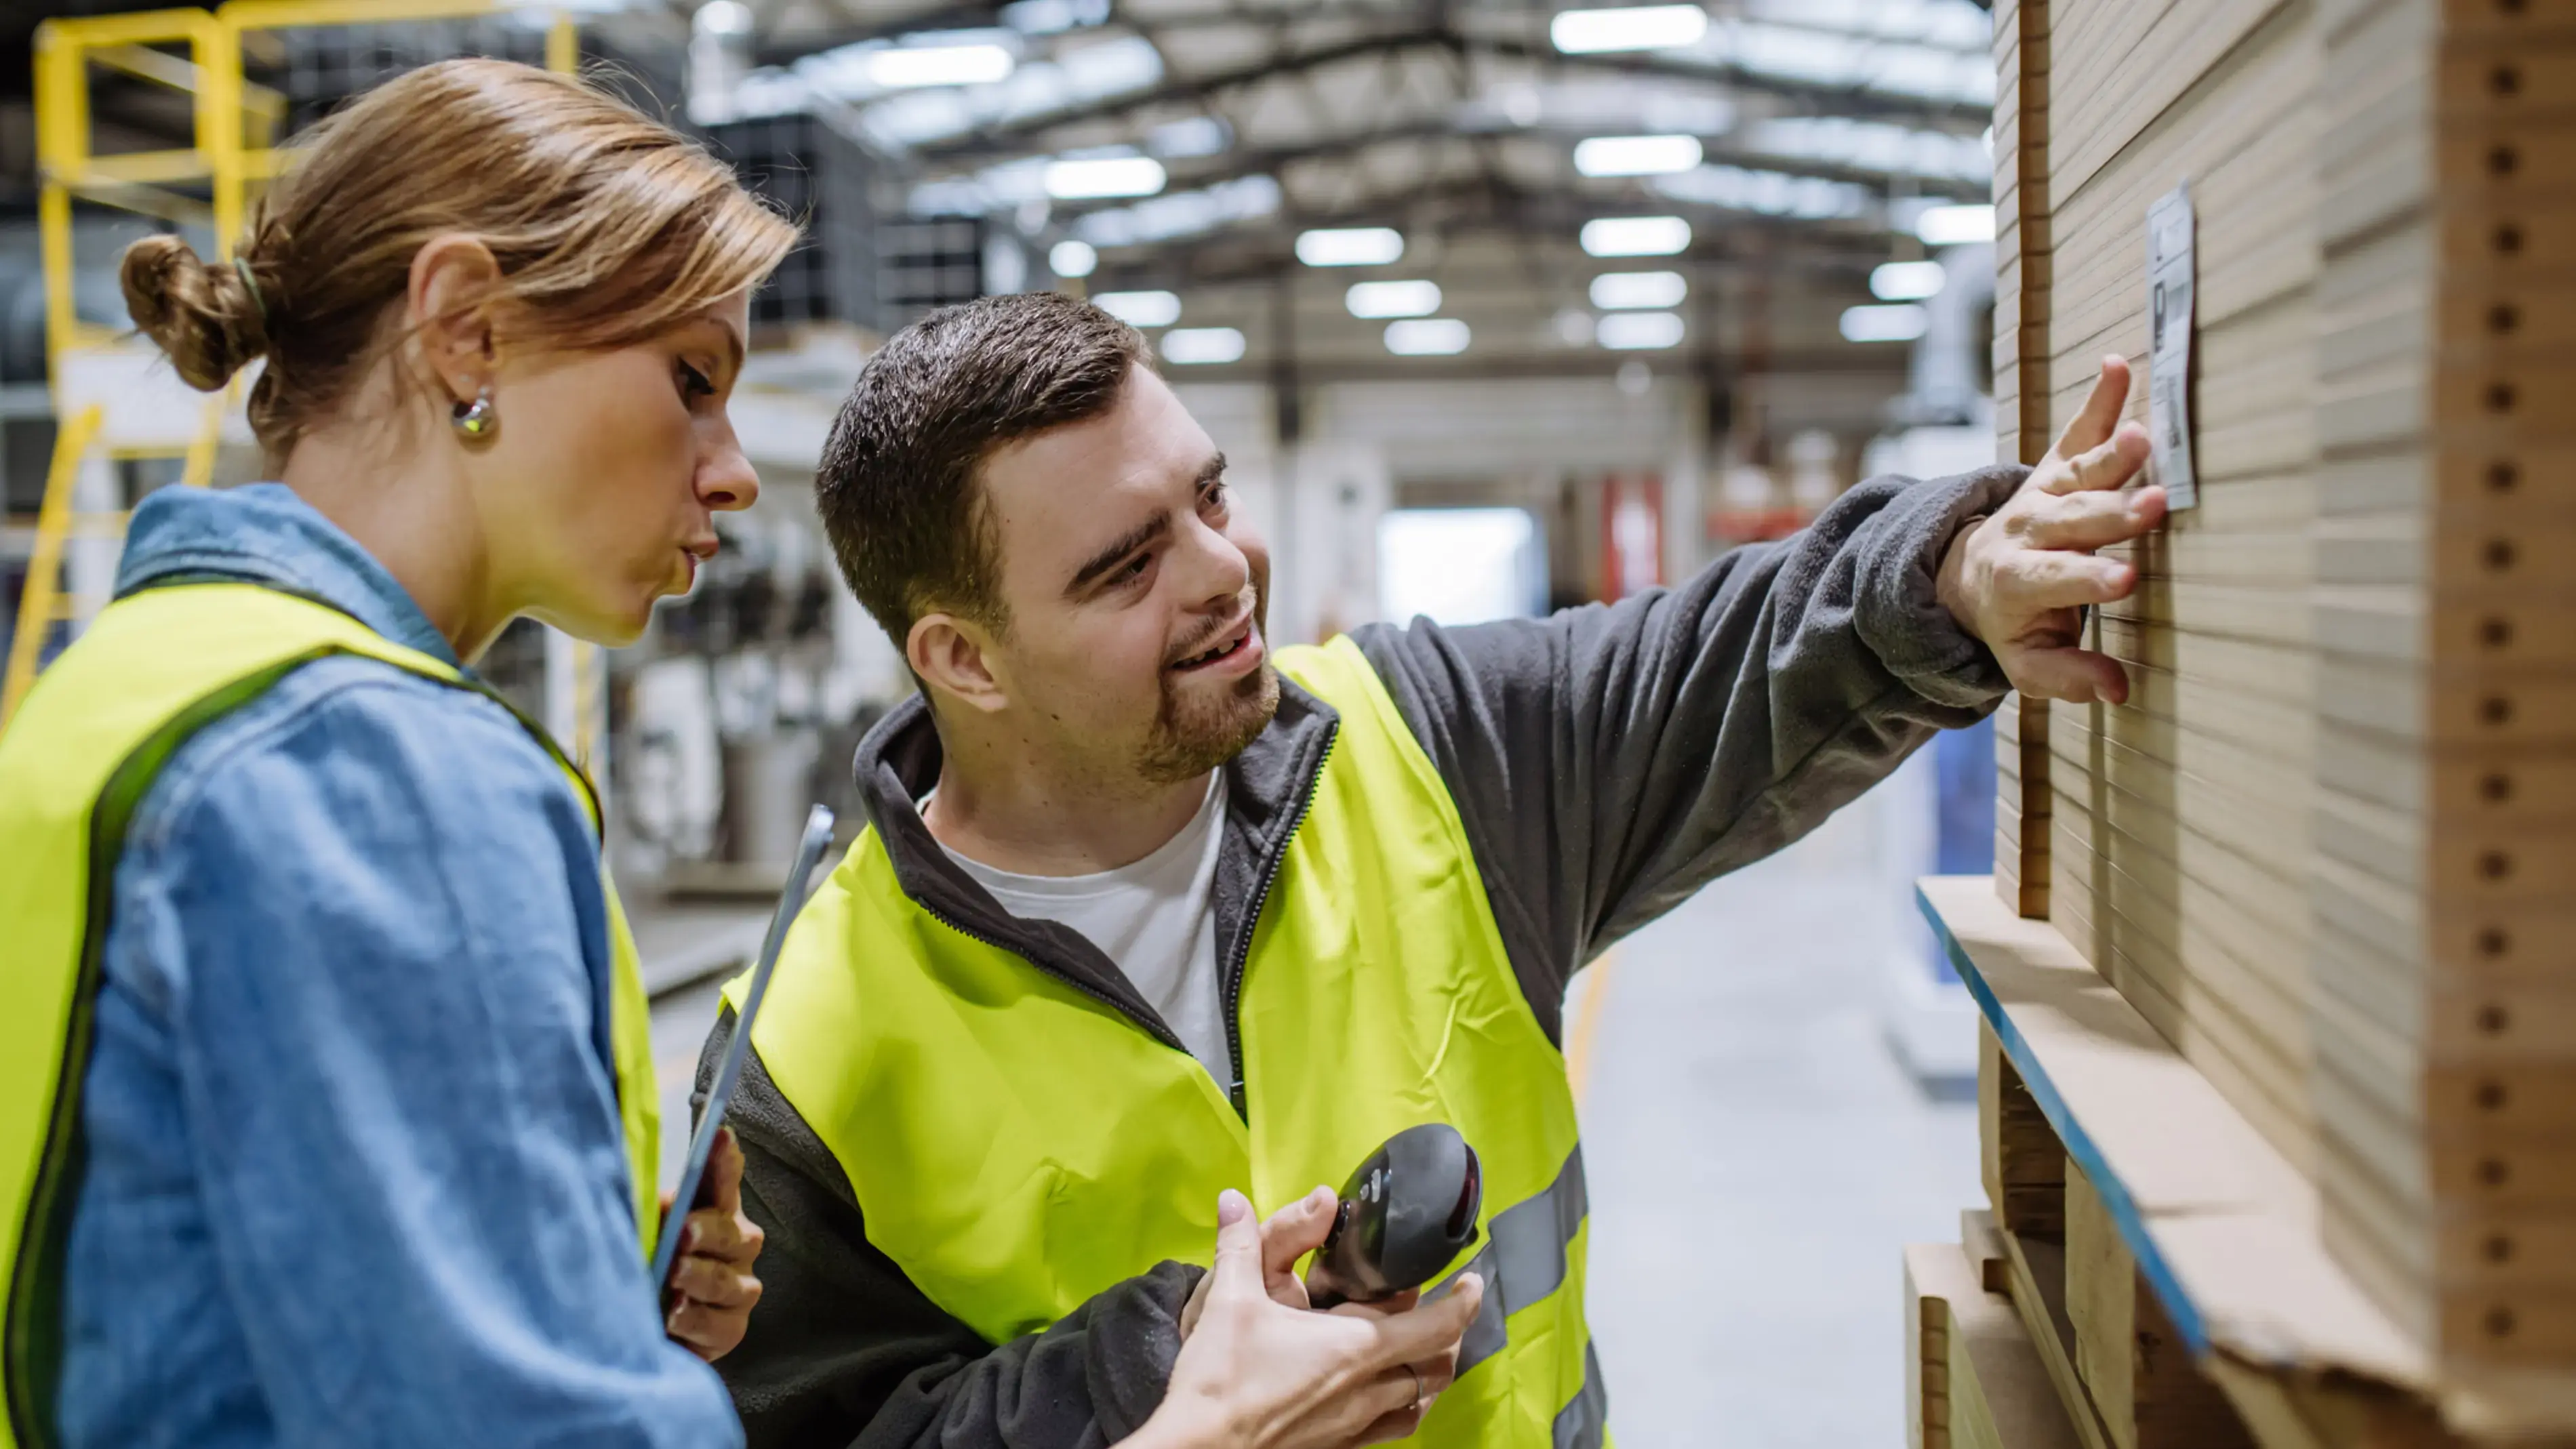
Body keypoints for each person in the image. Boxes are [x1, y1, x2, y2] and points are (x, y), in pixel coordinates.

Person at [0, 60, 1472, 1449]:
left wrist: (585, 1286)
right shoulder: (378, 769)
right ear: (464, 326)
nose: (729, 465)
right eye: (691, 379)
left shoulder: (120, 686)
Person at [702, 291, 2166, 1448]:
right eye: (1124, 565)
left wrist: (1959, 575)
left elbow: (1737, 651)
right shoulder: (800, 1055)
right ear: (962, 656)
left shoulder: (1426, 750)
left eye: (1209, 499)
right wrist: (1159, 1379)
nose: (1222, 571)